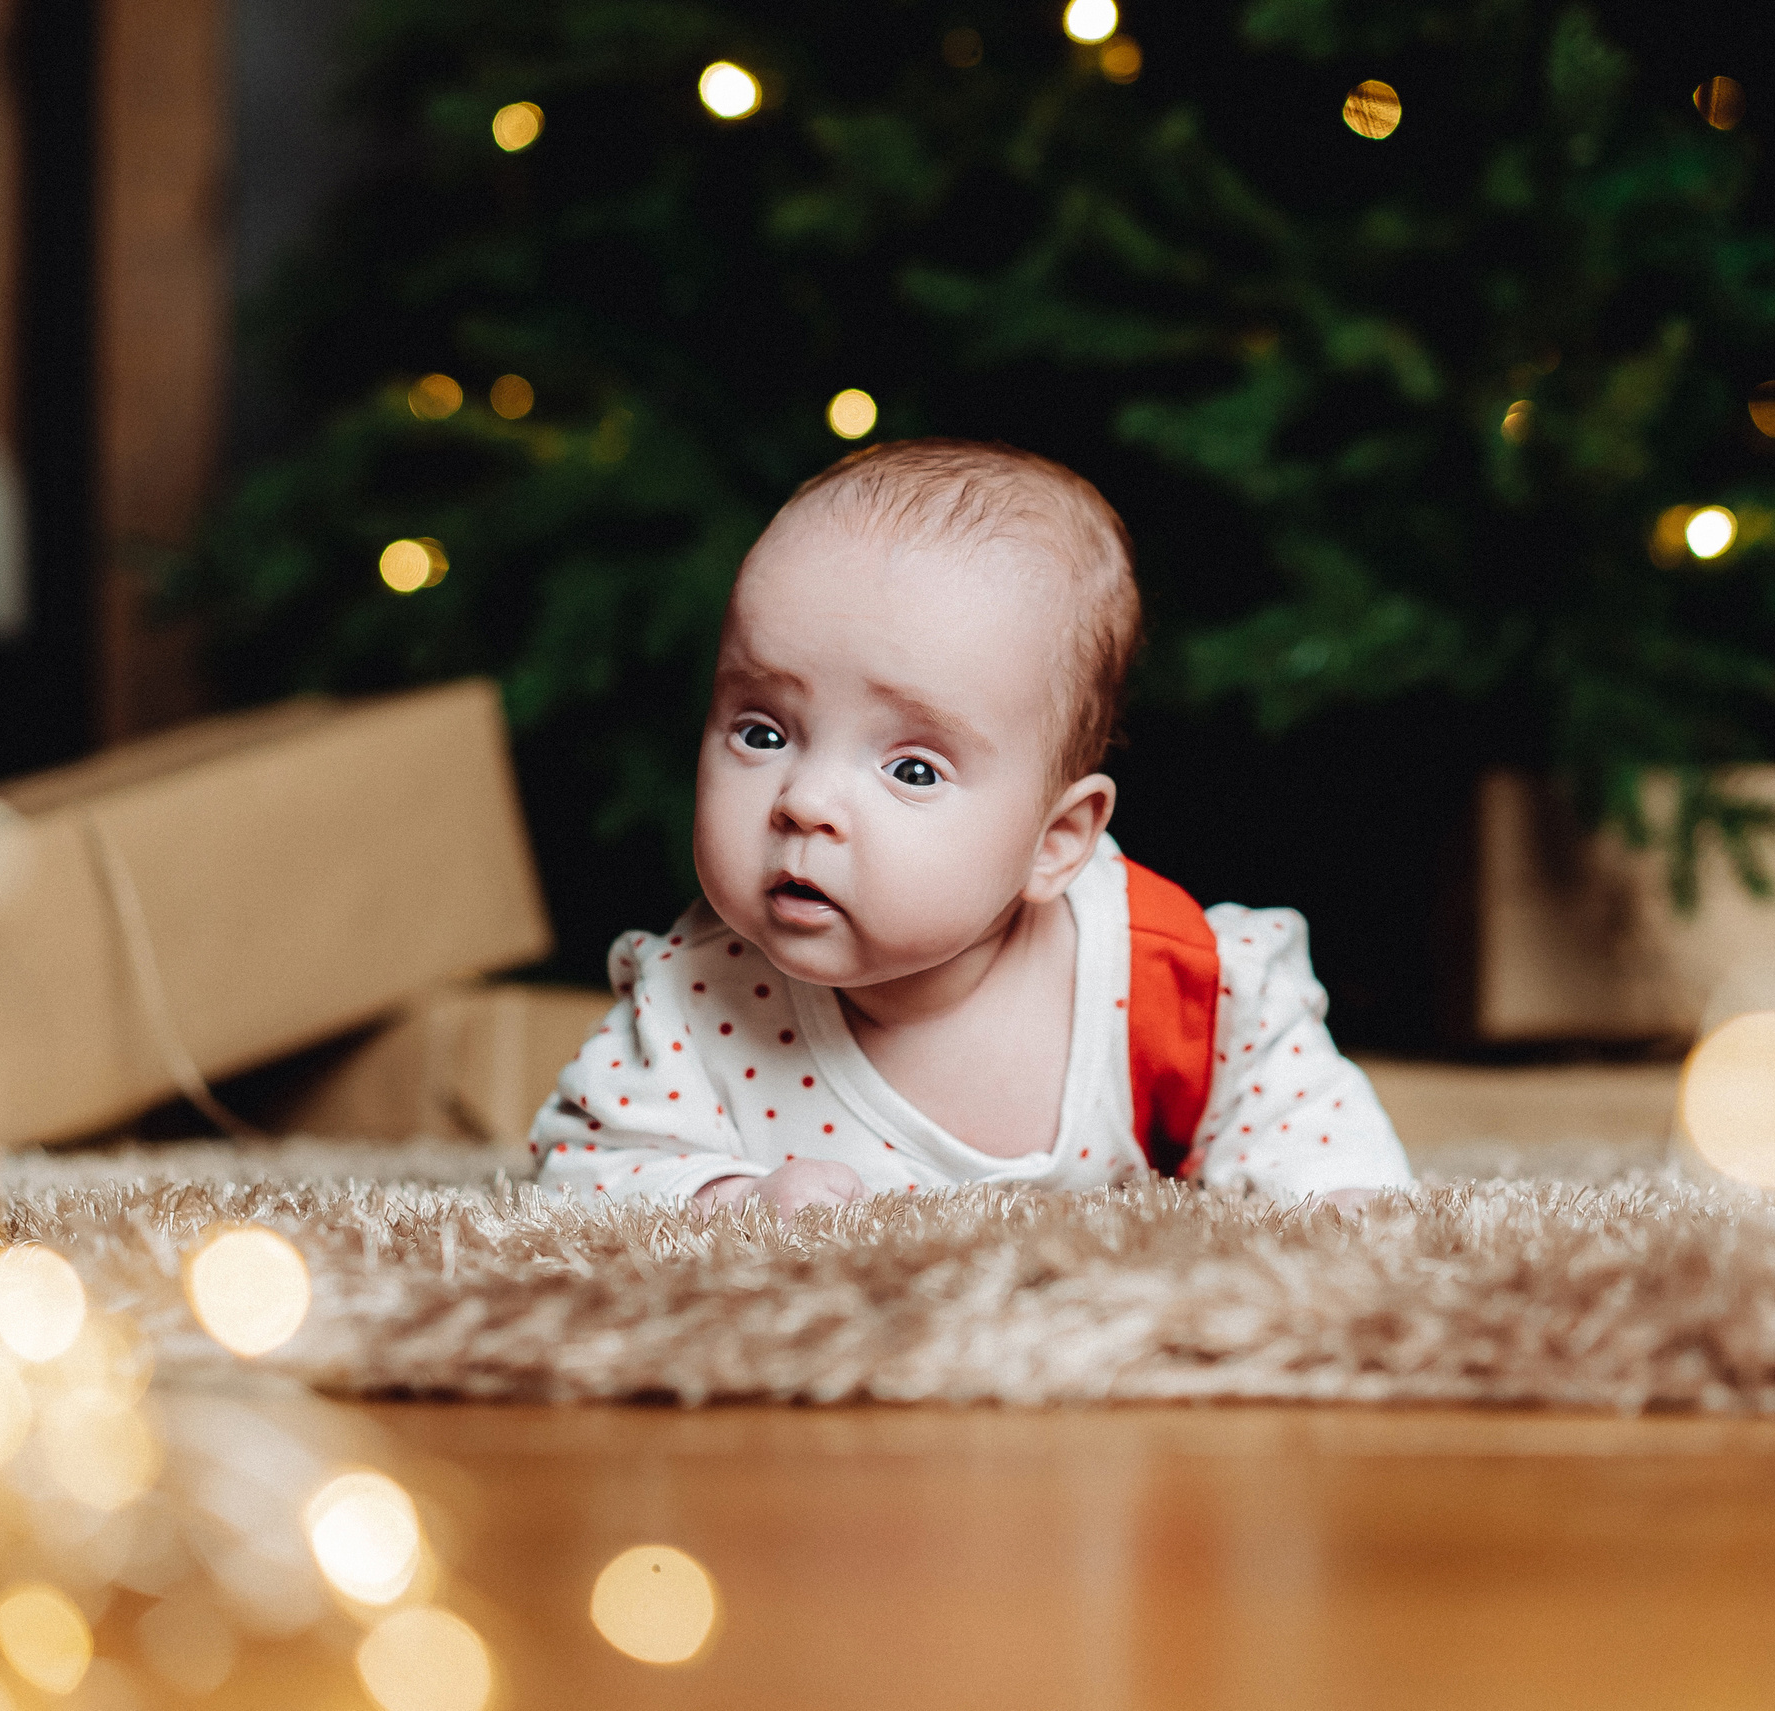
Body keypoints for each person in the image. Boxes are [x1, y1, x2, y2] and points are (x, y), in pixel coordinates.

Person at [531, 439, 1412, 1214]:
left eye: (912, 768)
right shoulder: (696, 999)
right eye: (763, 732)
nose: (804, 801)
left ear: (1055, 841)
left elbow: (1296, 1113)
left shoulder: (1161, 973)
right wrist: (729, 1199)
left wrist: (1328, 1200)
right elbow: (579, 1166)